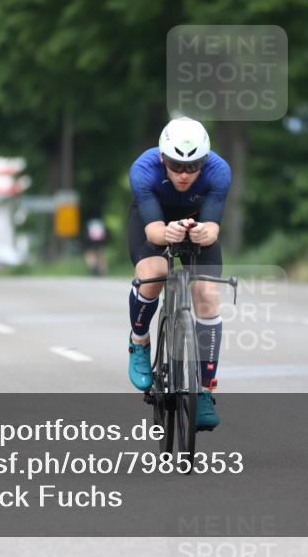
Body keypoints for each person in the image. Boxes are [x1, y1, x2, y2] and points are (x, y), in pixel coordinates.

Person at [126, 117, 231, 430]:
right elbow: (155, 232)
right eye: (175, 165)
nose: (184, 174)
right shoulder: (143, 169)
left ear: (205, 161)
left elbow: (213, 228)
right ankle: (139, 341)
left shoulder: (219, 171)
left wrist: (203, 233)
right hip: (155, 223)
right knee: (154, 274)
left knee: (208, 295)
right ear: (162, 158)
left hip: (196, 226)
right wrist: (167, 232)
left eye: (193, 166)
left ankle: (205, 389)